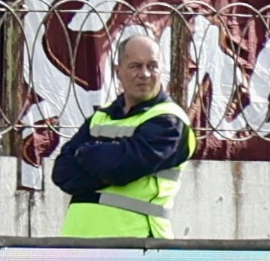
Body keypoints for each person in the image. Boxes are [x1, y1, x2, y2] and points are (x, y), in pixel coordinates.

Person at [53, 28, 191, 238]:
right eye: (135, 66)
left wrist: (86, 155)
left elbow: (121, 167)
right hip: (78, 243)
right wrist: (107, 167)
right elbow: (62, 172)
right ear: (118, 71)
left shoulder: (169, 121)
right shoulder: (102, 117)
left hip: (137, 245)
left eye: (152, 66)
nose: (144, 74)